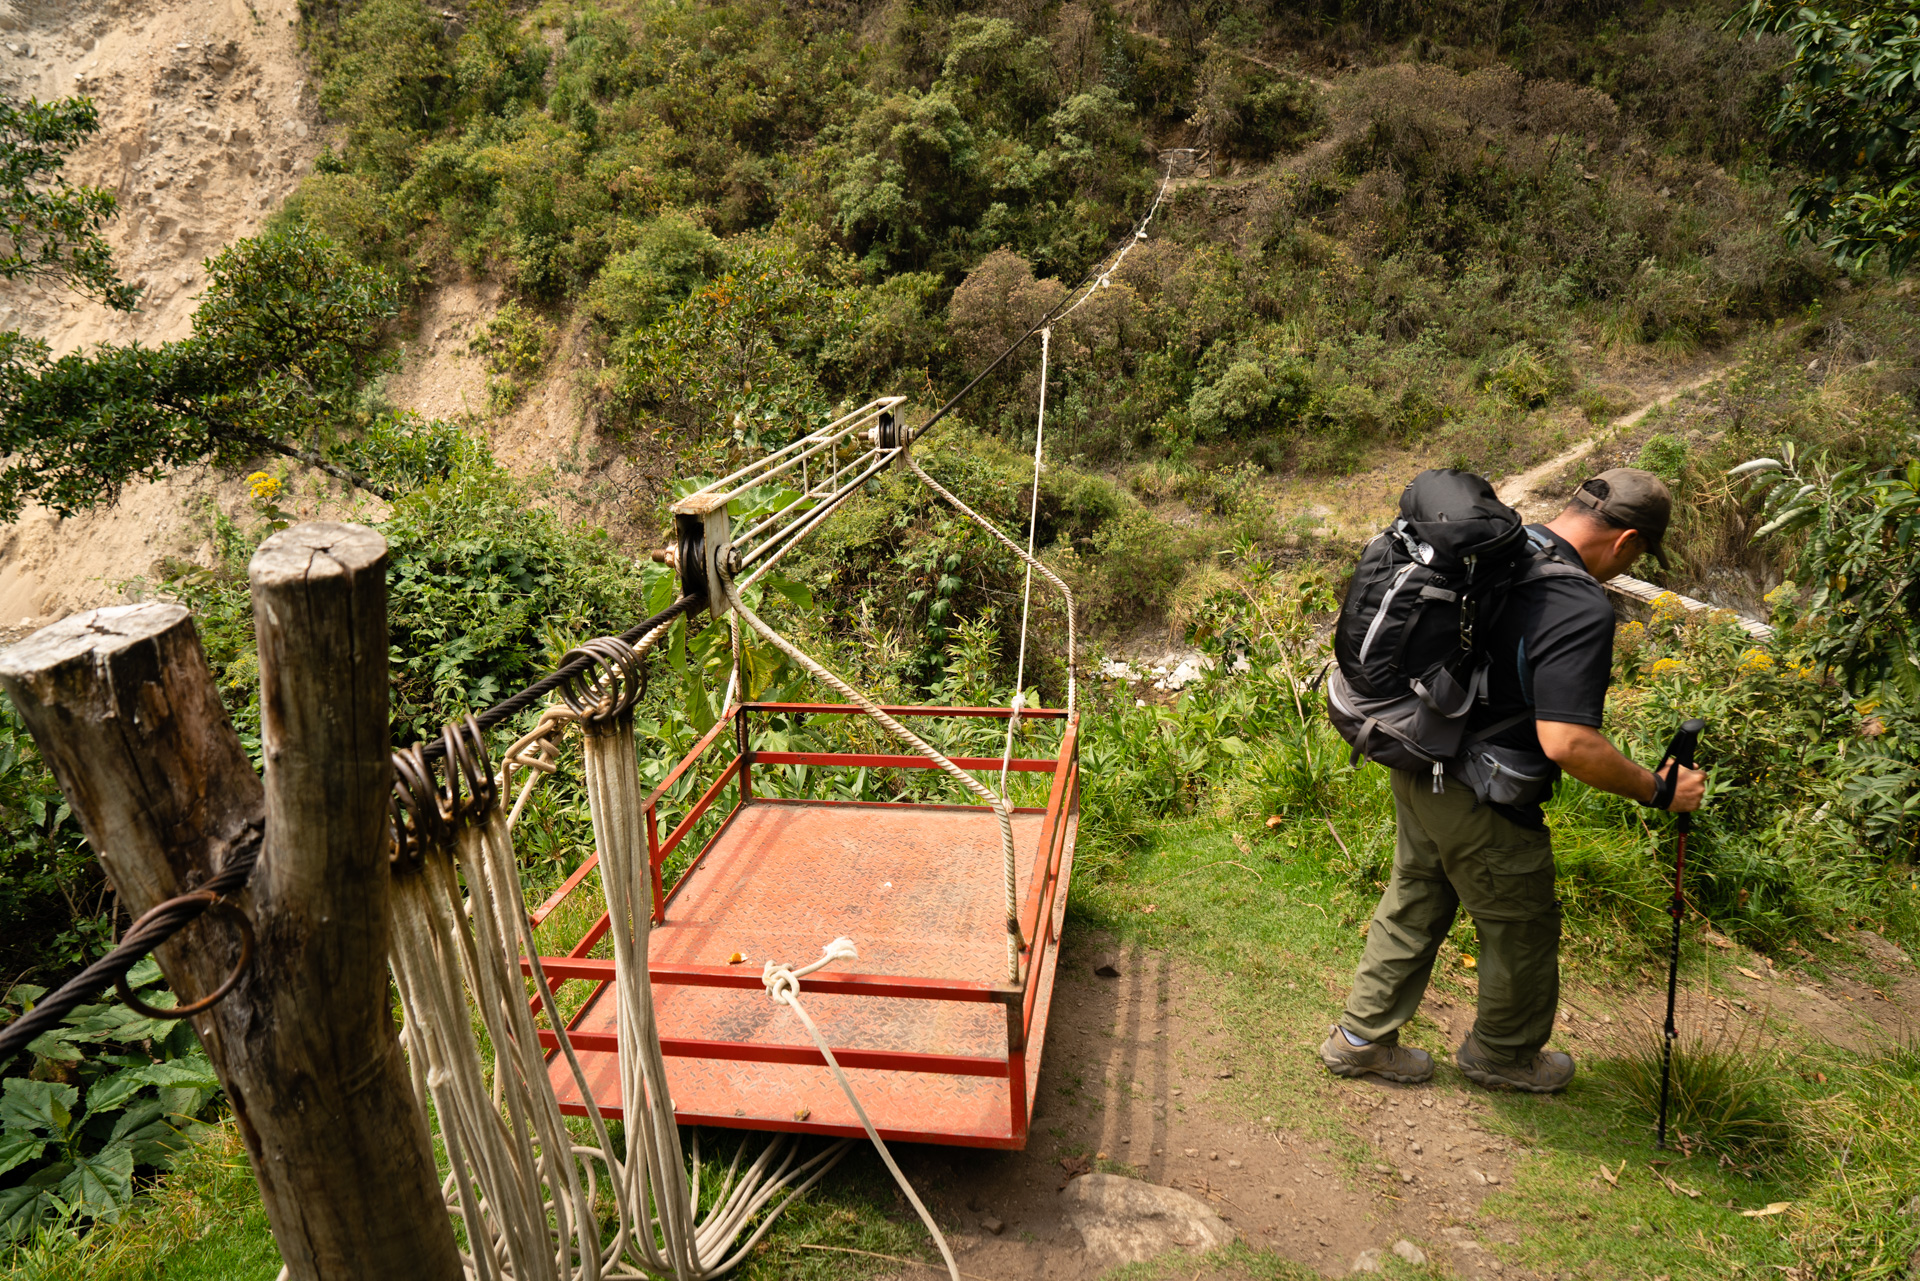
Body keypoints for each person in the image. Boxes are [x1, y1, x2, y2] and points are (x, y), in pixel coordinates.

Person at [1319, 468, 1707, 1092]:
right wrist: (1657, 789)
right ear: (1628, 539)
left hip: (1420, 759)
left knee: (1416, 896)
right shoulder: (1577, 603)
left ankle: (1359, 1040)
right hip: (1484, 794)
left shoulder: (1497, 551)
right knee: (1521, 925)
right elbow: (1567, 742)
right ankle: (1503, 1056)